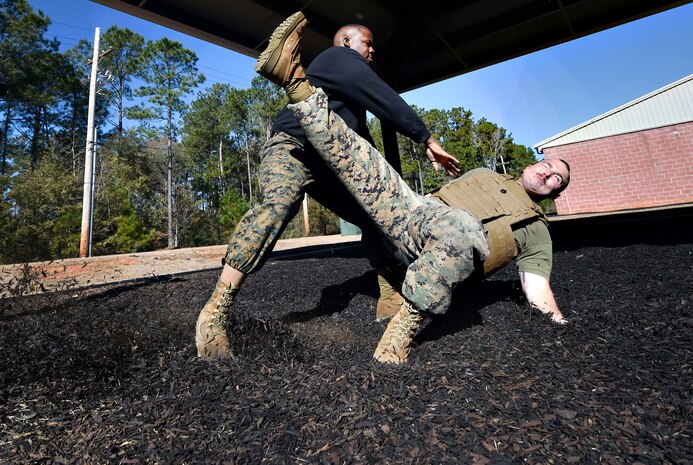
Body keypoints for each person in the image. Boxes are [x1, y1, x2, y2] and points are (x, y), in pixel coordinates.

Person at [255, 11, 571, 364]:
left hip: (447, 254)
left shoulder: (537, 229)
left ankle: (399, 333)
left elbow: (536, 286)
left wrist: (557, 321)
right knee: (360, 157)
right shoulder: (485, 173)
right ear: (531, 164)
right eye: (547, 164)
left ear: (554, 193)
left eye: (557, 177)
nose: (547, 173)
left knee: (461, 229)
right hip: (414, 219)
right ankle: (294, 83)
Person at [195, 13, 461, 358]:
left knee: (374, 216)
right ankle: (216, 311)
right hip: (294, 146)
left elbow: (361, 144)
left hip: (330, 163)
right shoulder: (339, 58)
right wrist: (426, 137)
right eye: (368, 44)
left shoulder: (347, 96)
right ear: (348, 42)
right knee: (279, 205)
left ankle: (390, 293)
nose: (372, 51)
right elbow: (381, 94)